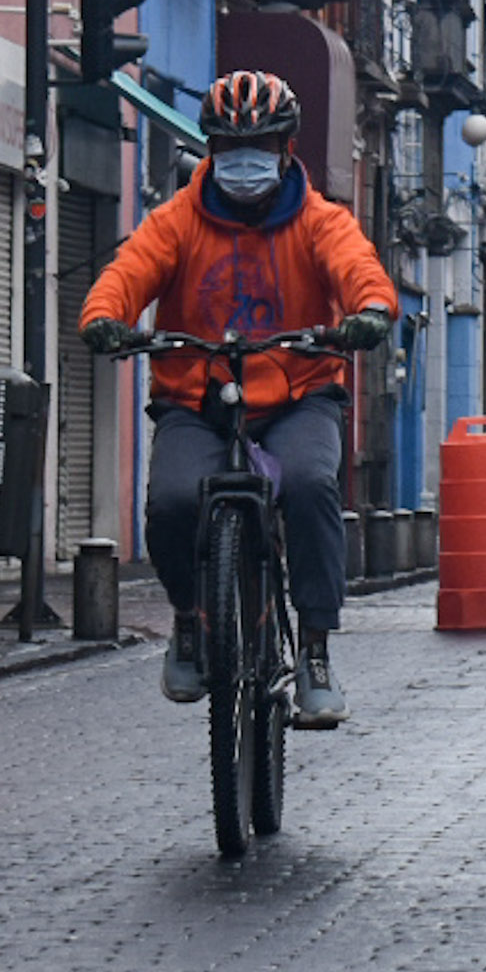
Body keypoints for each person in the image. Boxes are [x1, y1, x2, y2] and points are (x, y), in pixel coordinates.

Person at [80, 70, 397, 723]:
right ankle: (191, 619)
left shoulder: (319, 220)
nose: (243, 160)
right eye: (228, 145)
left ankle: (313, 646)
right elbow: (127, 272)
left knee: (311, 486)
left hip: (298, 392)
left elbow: (360, 269)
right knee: (169, 502)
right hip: (197, 392)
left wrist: (369, 310)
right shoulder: (176, 221)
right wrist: (104, 317)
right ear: (211, 148)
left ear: (286, 148)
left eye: (258, 145)